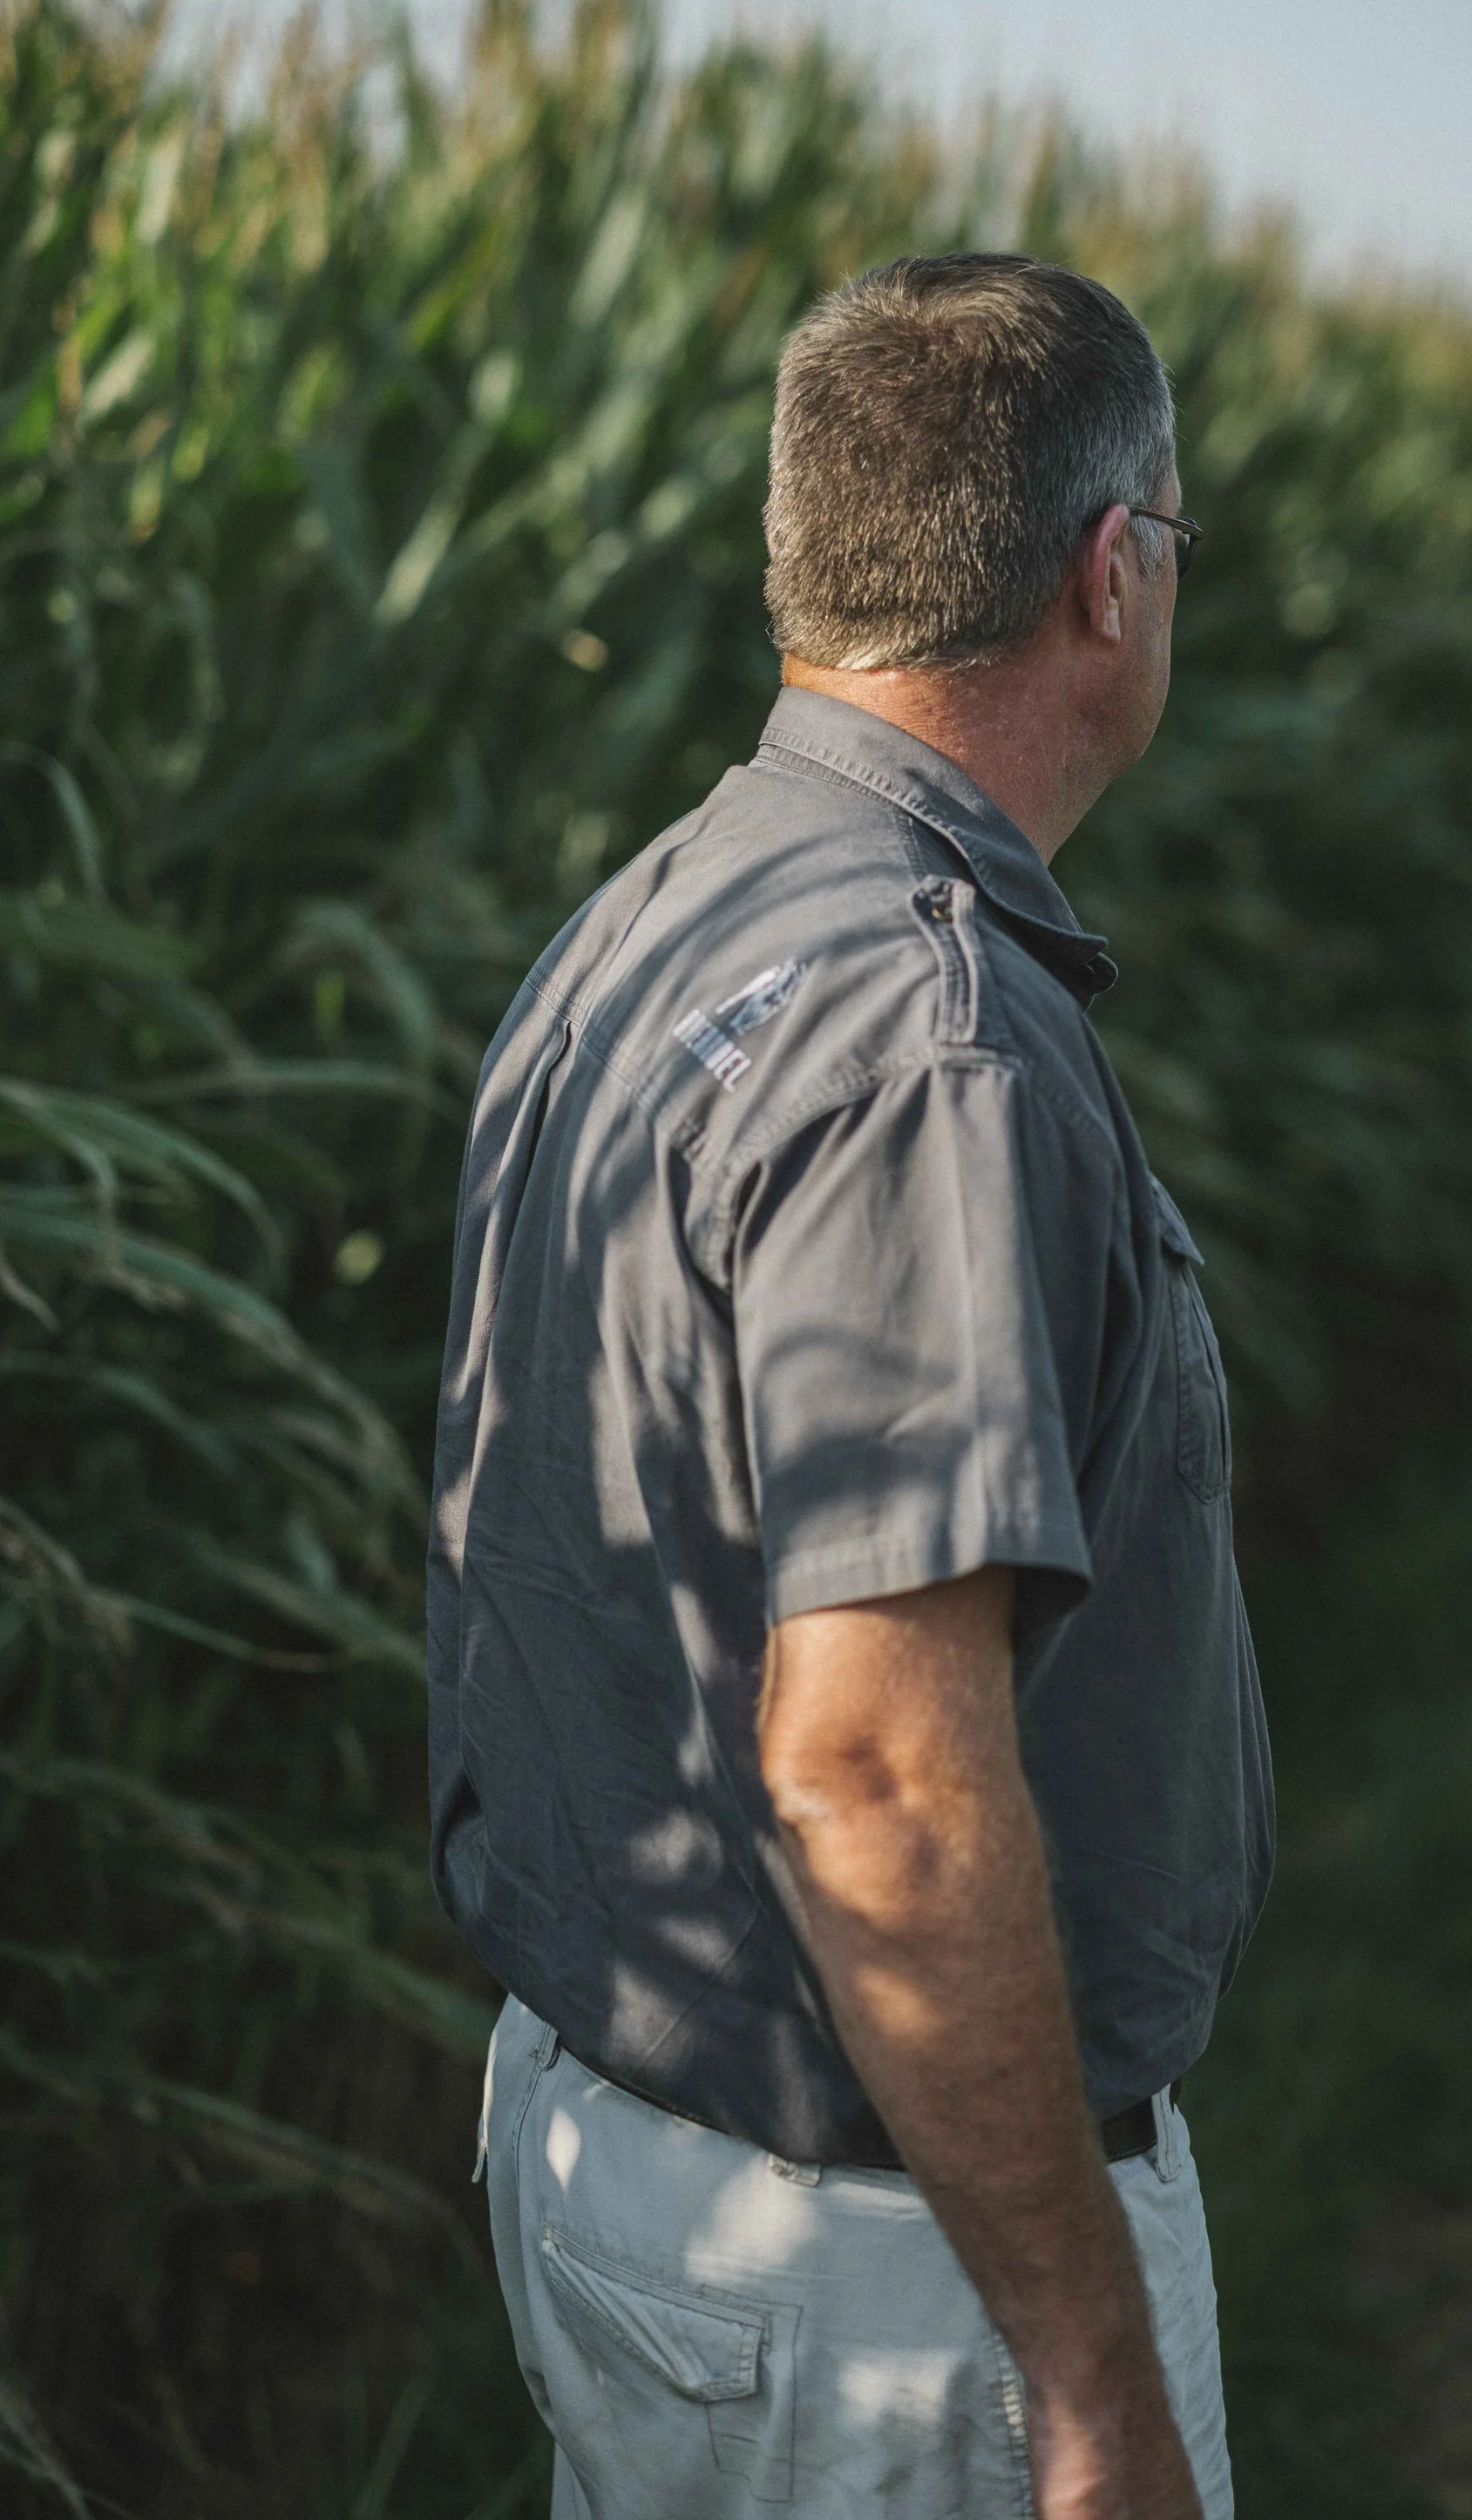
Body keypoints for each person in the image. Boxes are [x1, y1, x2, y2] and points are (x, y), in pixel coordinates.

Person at [427, 253, 1275, 2520]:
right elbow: (878, 1771)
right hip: (877, 2275)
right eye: (1172, 543)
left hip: (623, 2143)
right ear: (1108, 573)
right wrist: (1086, 2372)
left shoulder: (655, 916)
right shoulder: (927, 1036)